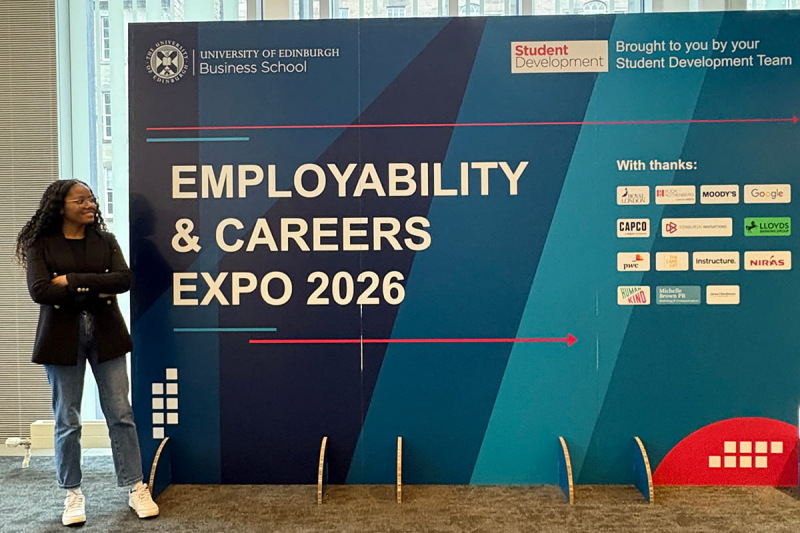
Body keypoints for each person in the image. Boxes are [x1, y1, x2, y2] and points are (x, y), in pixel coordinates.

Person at [15, 180, 159, 526]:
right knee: (68, 419)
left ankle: (135, 486)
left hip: (106, 334)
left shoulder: (104, 241)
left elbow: (122, 280)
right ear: (59, 206)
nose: (90, 204)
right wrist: (95, 285)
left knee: (121, 413)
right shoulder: (40, 244)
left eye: (91, 199)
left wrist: (71, 280)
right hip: (61, 338)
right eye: (81, 200)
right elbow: (40, 291)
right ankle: (72, 493)